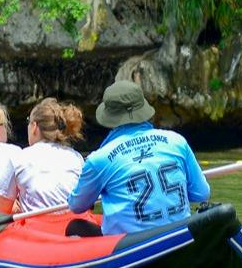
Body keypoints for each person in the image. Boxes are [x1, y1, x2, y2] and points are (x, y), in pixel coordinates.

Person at [65, 80, 209, 236]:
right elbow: (201, 193)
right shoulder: (177, 141)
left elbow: (76, 206)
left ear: (110, 117)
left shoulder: (99, 159)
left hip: (129, 244)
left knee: (75, 227)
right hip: (179, 235)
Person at [0, 98, 86, 215]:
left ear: (35, 127)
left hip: (37, 230)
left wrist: (16, 208)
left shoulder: (19, 158)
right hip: (70, 228)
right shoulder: (76, 158)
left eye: (28, 121)